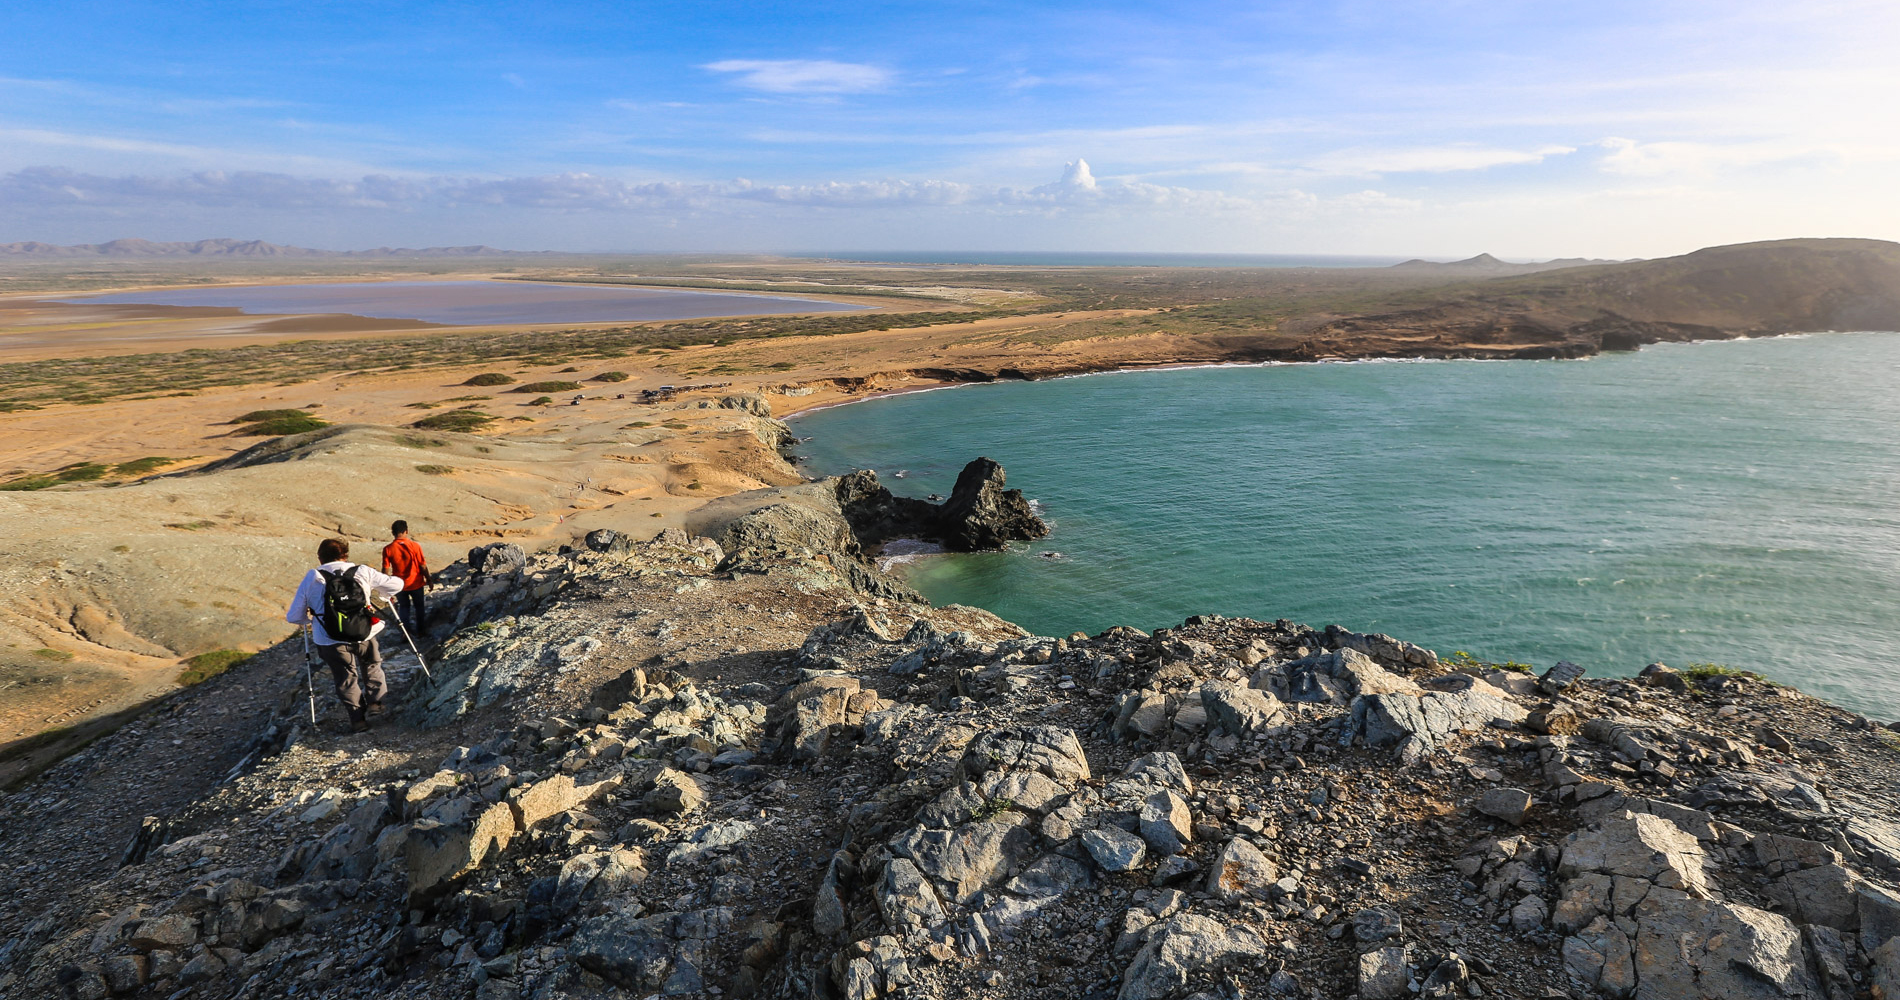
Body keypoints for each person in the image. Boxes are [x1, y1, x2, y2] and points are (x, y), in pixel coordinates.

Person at [286, 537, 404, 732]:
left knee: (345, 677)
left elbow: (293, 616)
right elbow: (396, 586)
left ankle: (358, 721)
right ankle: (376, 703)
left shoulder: (313, 577)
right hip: (363, 632)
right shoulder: (362, 571)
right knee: (372, 664)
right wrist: (383, 593)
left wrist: (311, 620)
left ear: (320, 557)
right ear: (346, 555)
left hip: (329, 639)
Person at [381, 520, 431, 634]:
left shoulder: (388, 549)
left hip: (399, 584)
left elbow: (385, 569)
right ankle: (421, 631)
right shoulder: (415, 546)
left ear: (393, 532)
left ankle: (405, 632)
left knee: (404, 607)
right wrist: (429, 579)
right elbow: (422, 565)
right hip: (416, 583)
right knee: (419, 607)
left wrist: (385, 587)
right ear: (406, 531)